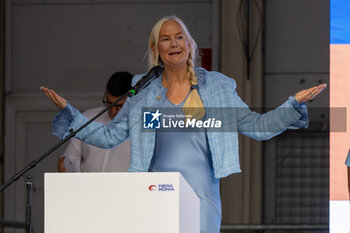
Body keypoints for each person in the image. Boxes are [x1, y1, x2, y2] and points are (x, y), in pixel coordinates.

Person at [40, 16, 326, 233]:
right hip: (154, 198)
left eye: (179, 37)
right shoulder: (143, 92)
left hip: (201, 199)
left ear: (190, 44)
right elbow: (109, 135)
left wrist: (293, 105)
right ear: (156, 48)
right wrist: (71, 113)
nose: (173, 43)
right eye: (166, 39)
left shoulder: (215, 89)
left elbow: (258, 126)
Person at [57, 72, 133, 172]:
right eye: (109, 104)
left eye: (119, 106)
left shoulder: (144, 125)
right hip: (87, 186)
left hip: (128, 187)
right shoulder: (88, 118)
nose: (113, 111)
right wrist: (65, 164)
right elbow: (70, 158)